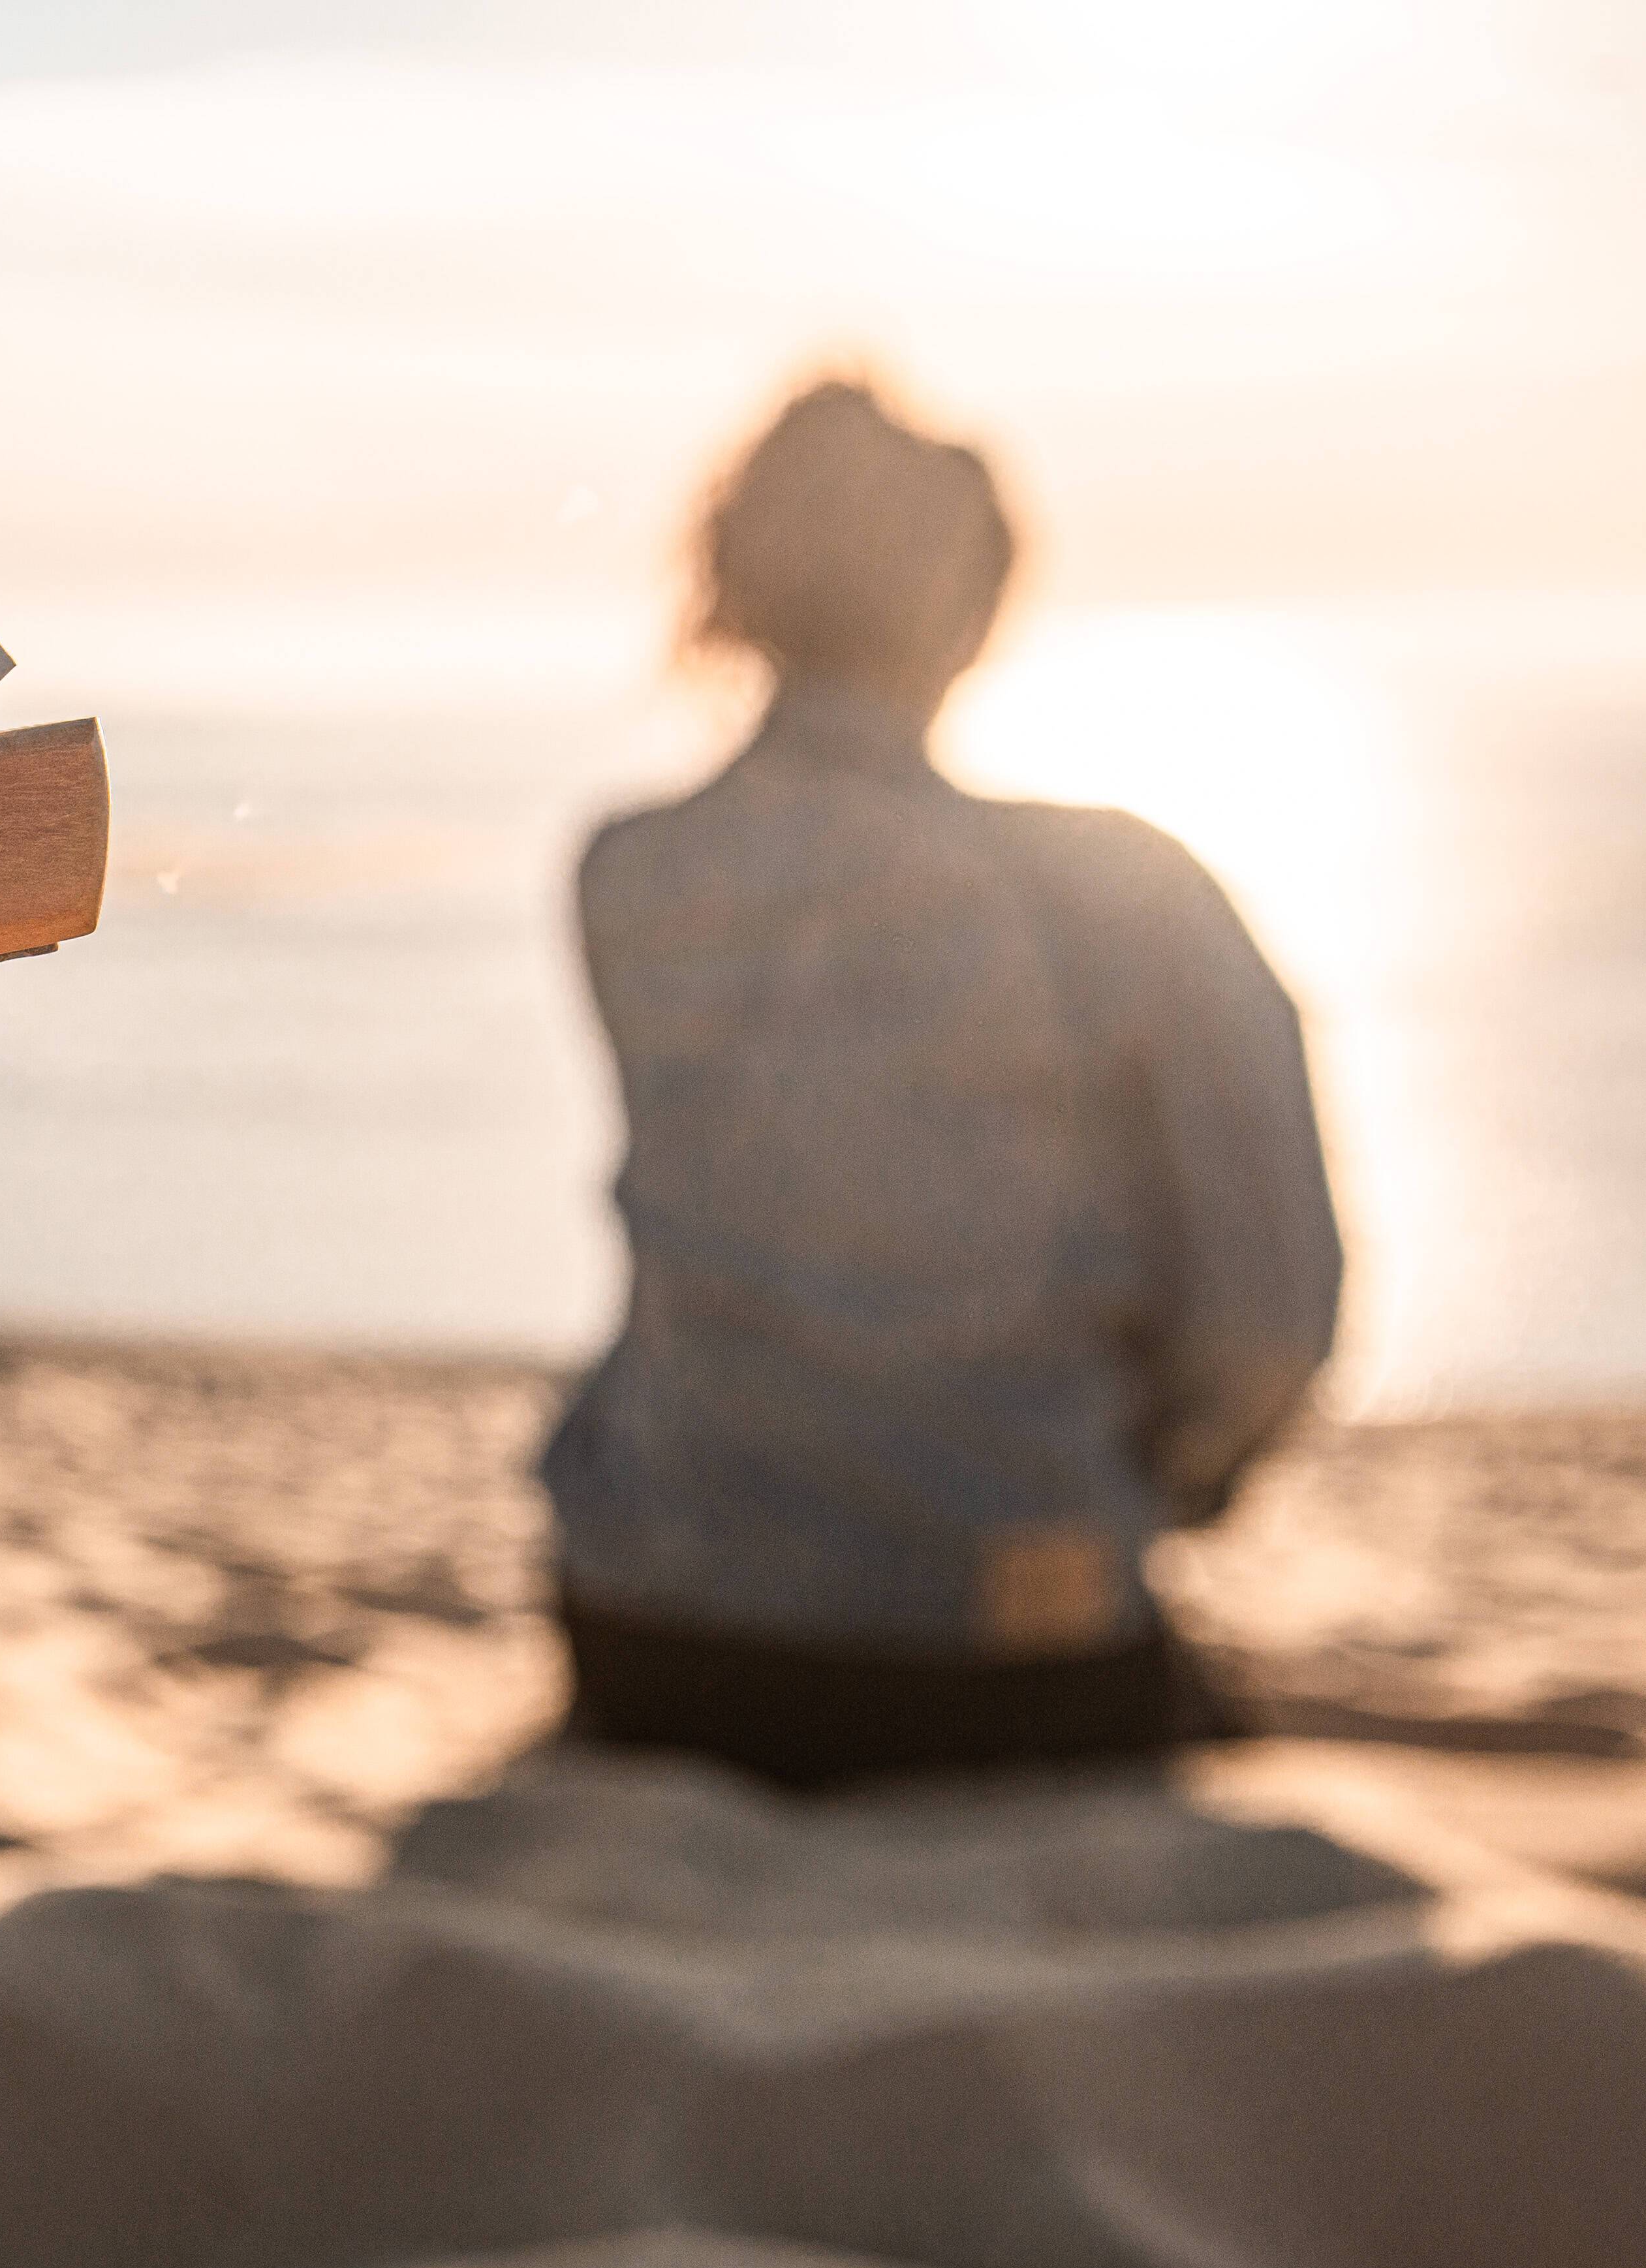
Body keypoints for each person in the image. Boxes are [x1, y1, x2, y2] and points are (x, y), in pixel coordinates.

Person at [540, 378, 1341, 1791]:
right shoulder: (1118, 892)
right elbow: (1269, 1321)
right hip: (1001, 1658)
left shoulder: (628, 873)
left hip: (648, 1637)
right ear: (973, 611)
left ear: (732, 589)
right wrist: (1161, 1474)